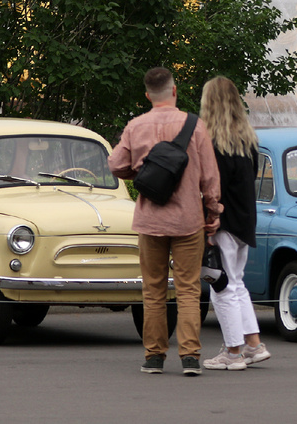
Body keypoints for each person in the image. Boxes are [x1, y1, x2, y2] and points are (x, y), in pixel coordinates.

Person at [109, 67, 222, 377]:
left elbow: (116, 164)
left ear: (148, 95)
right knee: (187, 290)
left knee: (153, 290)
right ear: (174, 90)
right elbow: (210, 176)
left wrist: (141, 173)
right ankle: (190, 358)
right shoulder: (195, 127)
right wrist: (213, 211)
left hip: (149, 219)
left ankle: (154, 357)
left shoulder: (136, 125)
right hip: (188, 219)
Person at [199, 76, 272, 371]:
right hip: (245, 222)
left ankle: (233, 353)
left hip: (223, 222)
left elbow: (212, 188)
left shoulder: (213, 144)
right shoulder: (248, 141)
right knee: (238, 284)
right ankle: (254, 345)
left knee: (222, 287)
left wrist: (208, 223)